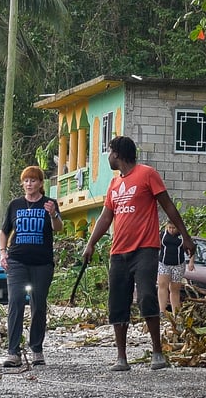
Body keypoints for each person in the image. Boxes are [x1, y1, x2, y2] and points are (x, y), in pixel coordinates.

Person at [83, 135, 195, 371]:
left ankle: (157, 352)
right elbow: (106, 217)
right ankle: (121, 358)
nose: (108, 157)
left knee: (146, 296)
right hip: (118, 251)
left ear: (117, 153)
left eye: (109, 152)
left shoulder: (147, 174)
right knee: (117, 302)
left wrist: (185, 236)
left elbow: (168, 205)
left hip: (145, 249)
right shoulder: (114, 184)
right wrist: (91, 243)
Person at [0, 165, 64, 367]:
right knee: (16, 302)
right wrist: (2, 253)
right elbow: (4, 231)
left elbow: (58, 228)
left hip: (42, 263)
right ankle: (13, 352)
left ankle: (36, 348)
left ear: (41, 183)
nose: (29, 184)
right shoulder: (15, 205)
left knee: (38, 304)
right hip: (17, 260)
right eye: (26, 180)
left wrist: (53, 214)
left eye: (33, 180)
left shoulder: (49, 203)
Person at [158, 221, 196, 317]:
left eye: (173, 228)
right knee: (162, 285)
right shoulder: (162, 235)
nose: (171, 230)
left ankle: (176, 313)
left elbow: (191, 249)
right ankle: (162, 310)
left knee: (174, 289)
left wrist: (191, 262)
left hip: (178, 265)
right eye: (169, 228)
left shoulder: (183, 237)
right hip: (164, 264)